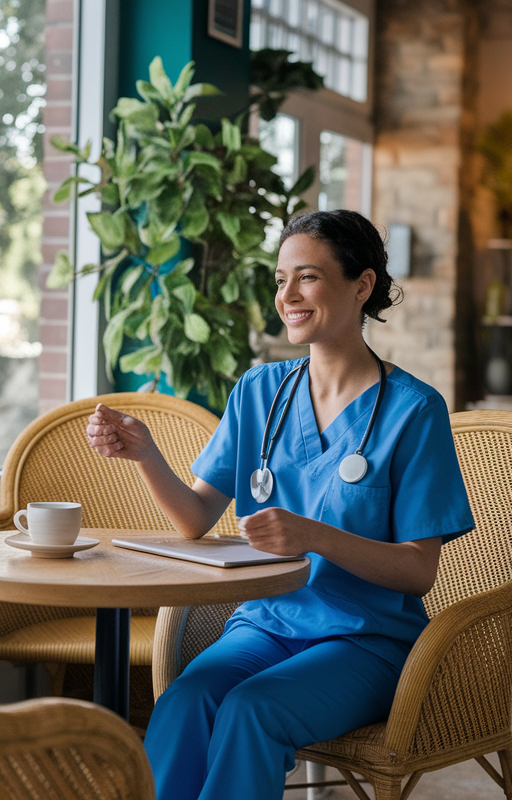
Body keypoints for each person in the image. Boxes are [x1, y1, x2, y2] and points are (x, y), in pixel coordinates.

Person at [84, 209, 475, 800]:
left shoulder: (414, 410)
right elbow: (194, 519)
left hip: (364, 642)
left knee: (251, 710)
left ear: (362, 285)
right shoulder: (259, 392)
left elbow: (419, 571)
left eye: (308, 277)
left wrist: (315, 536)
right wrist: (144, 454)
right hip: (265, 625)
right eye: (279, 279)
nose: (287, 296)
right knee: (186, 700)